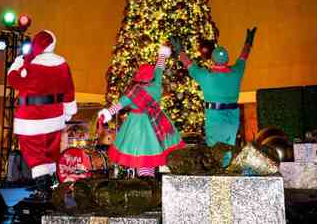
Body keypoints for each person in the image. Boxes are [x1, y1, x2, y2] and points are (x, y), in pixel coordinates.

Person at [7, 30, 76, 199]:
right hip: (54, 117)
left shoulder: (30, 64)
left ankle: (43, 190)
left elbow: (14, 80)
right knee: (50, 153)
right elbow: (69, 90)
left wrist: (17, 63)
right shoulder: (62, 64)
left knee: (35, 154)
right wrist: (69, 111)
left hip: (32, 119)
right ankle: (53, 189)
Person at [172, 26, 256, 166]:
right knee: (228, 147)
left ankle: (217, 172)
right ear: (227, 60)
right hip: (232, 117)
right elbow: (243, 57)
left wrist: (180, 50)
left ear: (212, 59)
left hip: (214, 116)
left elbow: (188, 64)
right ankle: (226, 170)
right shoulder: (236, 73)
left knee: (214, 147)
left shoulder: (205, 76)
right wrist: (248, 42)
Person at [98, 44, 184, 177]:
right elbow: (159, 69)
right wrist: (162, 56)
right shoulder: (156, 86)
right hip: (156, 123)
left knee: (139, 154)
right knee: (151, 152)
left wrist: (107, 113)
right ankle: (149, 178)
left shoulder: (133, 92)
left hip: (136, 125)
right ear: (151, 77)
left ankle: (144, 178)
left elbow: (119, 105)